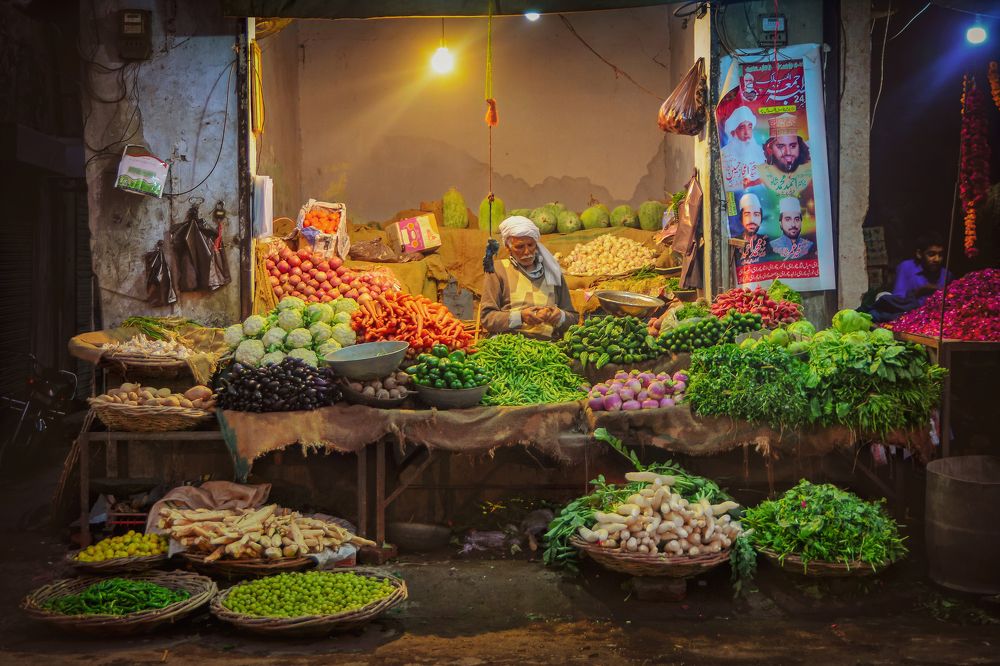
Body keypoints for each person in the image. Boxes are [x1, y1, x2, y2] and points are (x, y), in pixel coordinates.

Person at [480, 216, 577, 339]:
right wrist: (520, 317)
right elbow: (487, 317)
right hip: (509, 343)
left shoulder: (552, 270)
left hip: (549, 345)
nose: (527, 252)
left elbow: (573, 319)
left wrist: (560, 316)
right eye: (520, 247)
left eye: (531, 245)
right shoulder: (498, 270)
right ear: (508, 248)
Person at [891, 234, 951, 305]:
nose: (937, 259)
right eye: (931, 254)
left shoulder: (947, 274)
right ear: (919, 254)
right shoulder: (906, 267)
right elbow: (897, 302)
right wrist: (919, 292)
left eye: (940, 255)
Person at [721, 106, 764, 191]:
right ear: (733, 132)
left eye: (750, 127)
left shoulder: (760, 152)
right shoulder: (724, 154)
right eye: (741, 127)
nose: (747, 132)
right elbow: (725, 185)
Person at [737, 193, 769, 265]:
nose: (752, 220)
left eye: (756, 214)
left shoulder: (768, 243)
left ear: (761, 219)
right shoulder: (735, 243)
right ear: (741, 218)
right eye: (747, 215)